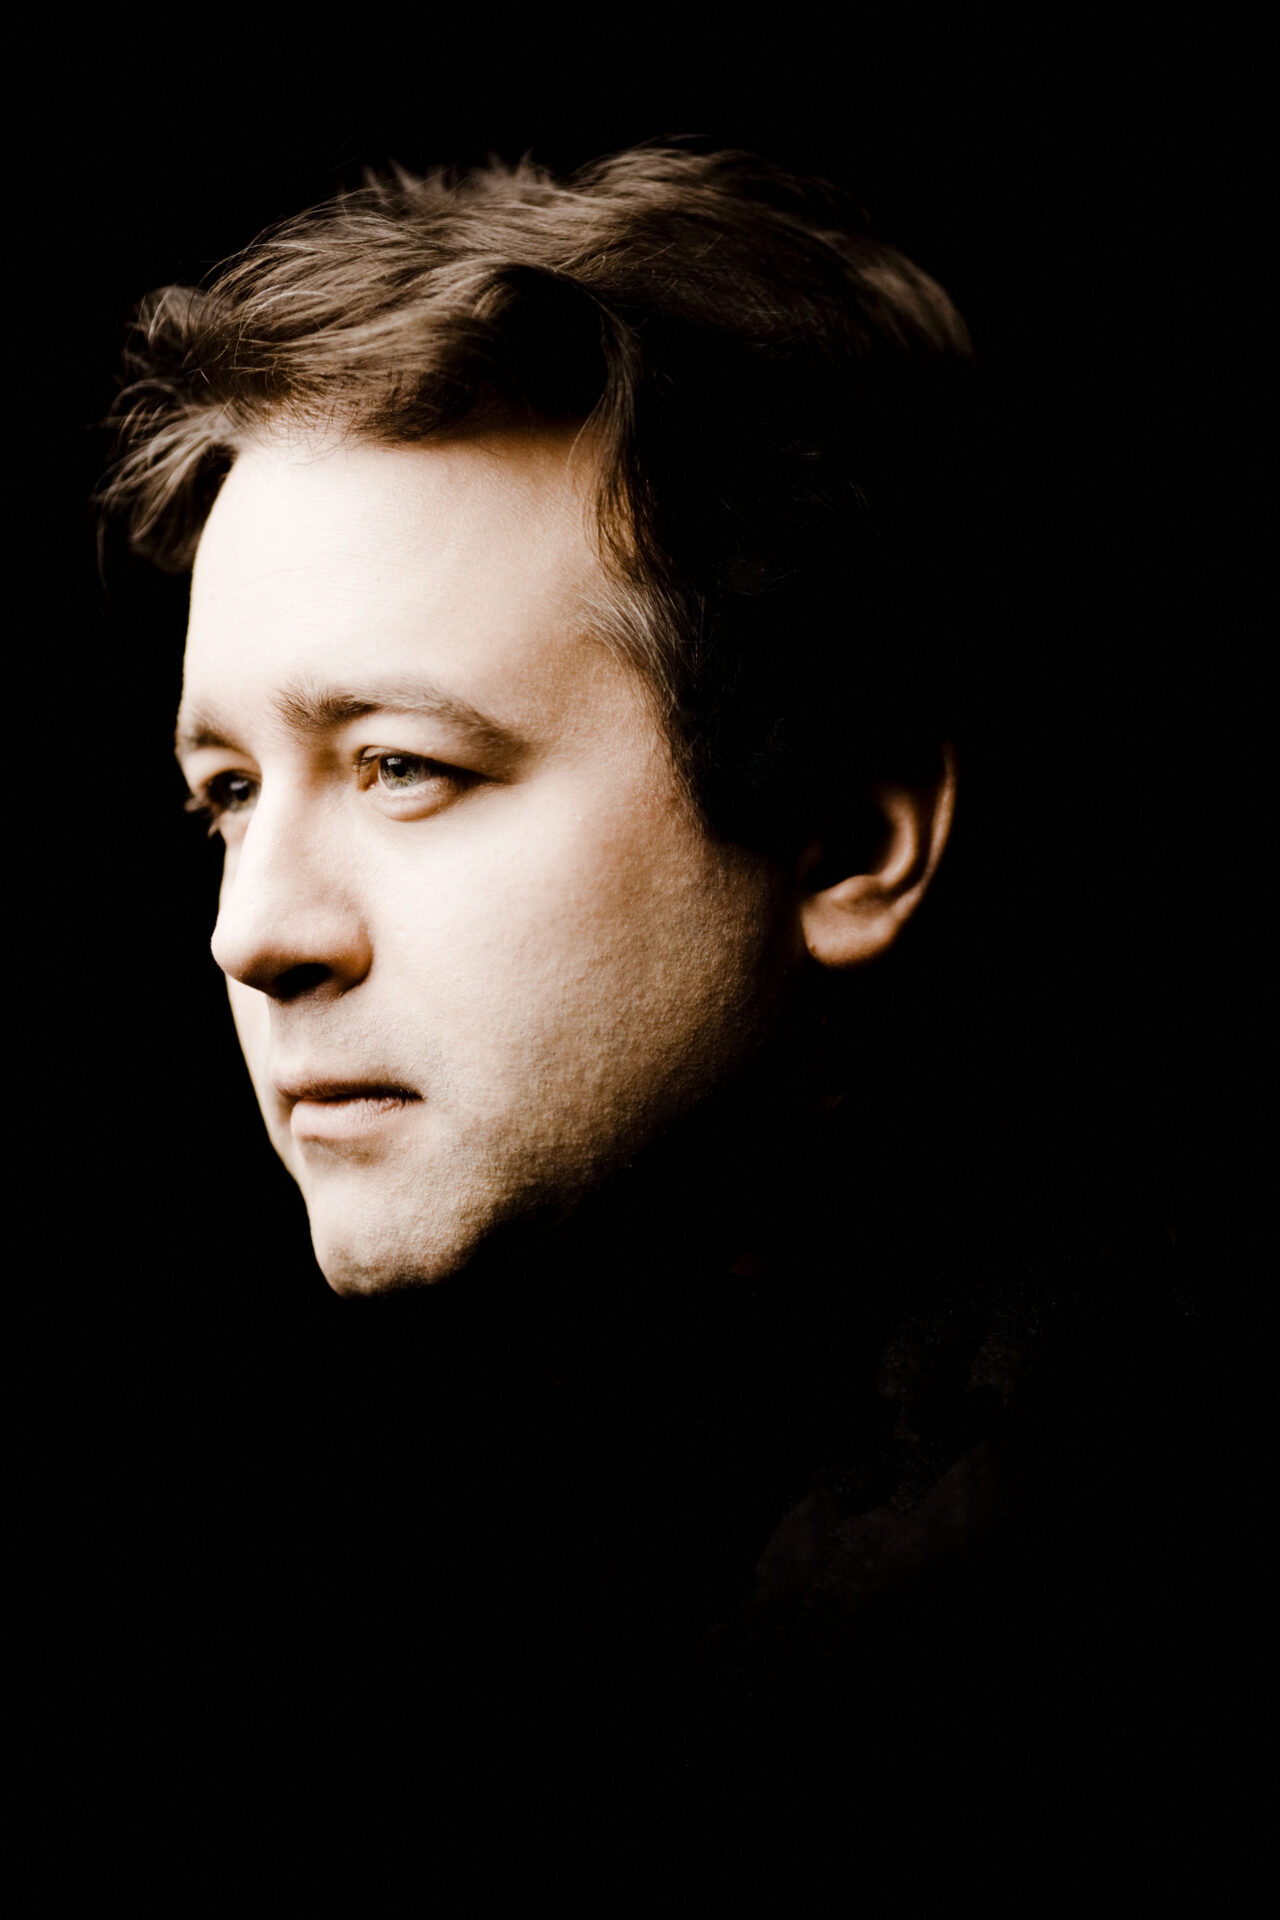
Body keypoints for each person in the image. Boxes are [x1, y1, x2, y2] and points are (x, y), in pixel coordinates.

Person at [98, 146, 1215, 1907]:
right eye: (225, 792)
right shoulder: (337, 1580)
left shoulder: (1076, 1613)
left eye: (404, 766)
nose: (257, 935)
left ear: (845, 841)